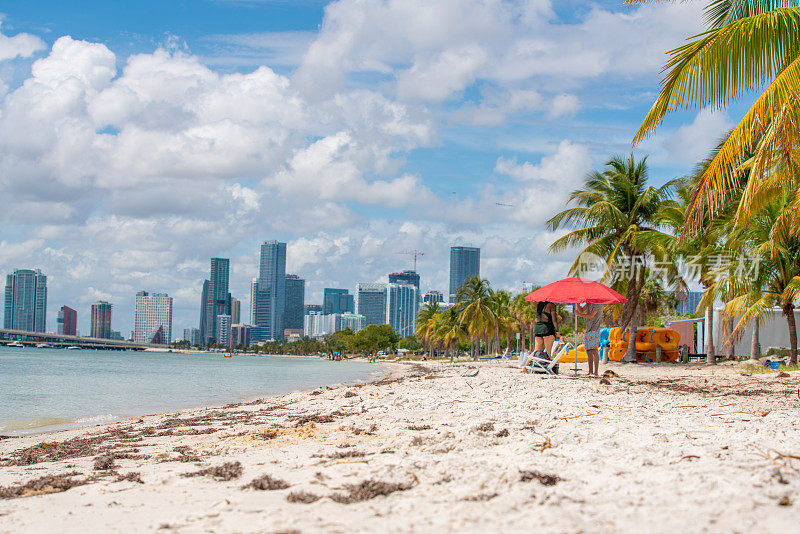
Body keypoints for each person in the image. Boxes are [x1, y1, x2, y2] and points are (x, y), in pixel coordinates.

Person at [577, 302, 603, 376]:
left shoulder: (598, 304)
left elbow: (591, 316)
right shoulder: (589, 303)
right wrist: (577, 304)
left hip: (594, 330)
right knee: (588, 351)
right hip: (588, 330)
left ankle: (596, 372)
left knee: (594, 350)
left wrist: (579, 315)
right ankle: (590, 371)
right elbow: (581, 310)